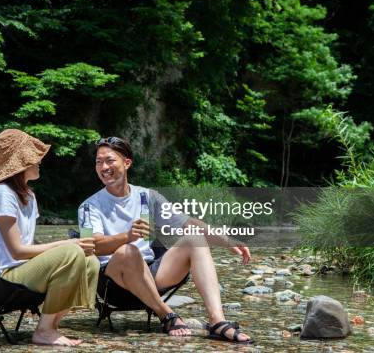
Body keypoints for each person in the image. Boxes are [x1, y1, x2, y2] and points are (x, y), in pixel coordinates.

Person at [80, 136, 253, 343]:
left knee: (194, 238)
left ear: (127, 163)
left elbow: (187, 223)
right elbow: (93, 247)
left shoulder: (147, 196)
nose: (103, 167)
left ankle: (217, 321)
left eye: (109, 160)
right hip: (115, 283)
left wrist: (227, 241)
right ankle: (166, 314)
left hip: (150, 274)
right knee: (128, 250)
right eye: (99, 162)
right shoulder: (89, 206)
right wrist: (127, 237)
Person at [0, 129, 99, 346]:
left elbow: (28, 246)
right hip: (0, 277)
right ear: (21, 163)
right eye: (34, 157)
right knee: (72, 251)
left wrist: (68, 249)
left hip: (19, 269)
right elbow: (18, 251)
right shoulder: (1, 193)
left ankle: (50, 325)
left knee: (90, 261)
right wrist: (68, 244)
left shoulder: (28, 195)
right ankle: (44, 332)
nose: (39, 161)